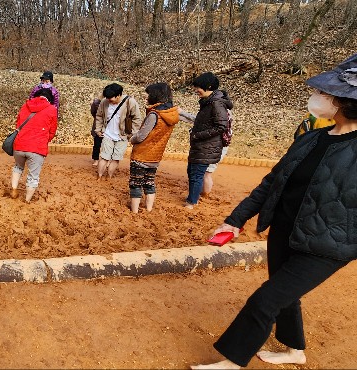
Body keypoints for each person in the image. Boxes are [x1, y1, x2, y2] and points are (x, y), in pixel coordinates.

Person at [191, 53, 357, 369]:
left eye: (324, 93)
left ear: (344, 101)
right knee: (285, 295)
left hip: (328, 245)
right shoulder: (312, 137)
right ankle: (295, 351)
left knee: (266, 300)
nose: (317, 97)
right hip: (286, 229)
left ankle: (231, 360)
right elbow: (271, 183)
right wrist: (235, 220)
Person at [127, 83, 179, 213]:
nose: (146, 97)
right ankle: (149, 209)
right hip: (155, 157)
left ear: (155, 95)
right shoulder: (171, 114)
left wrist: (131, 139)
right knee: (149, 182)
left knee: (136, 183)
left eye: (148, 95)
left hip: (142, 155)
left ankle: (134, 211)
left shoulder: (154, 115)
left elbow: (141, 136)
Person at [185, 72, 233, 209]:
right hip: (201, 146)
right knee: (192, 172)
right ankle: (192, 198)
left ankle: (192, 202)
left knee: (197, 174)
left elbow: (221, 126)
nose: (196, 90)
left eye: (198, 87)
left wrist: (198, 135)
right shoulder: (209, 102)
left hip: (207, 146)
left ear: (209, 86)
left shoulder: (216, 104)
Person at [9, 88, 59, 203]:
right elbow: (52, 131)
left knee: (18, 166)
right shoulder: (52, 109)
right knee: (33, 175)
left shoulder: (25, 105)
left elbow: (18, 124)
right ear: (49, 99)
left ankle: (14, 189)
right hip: (37, 148)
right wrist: (43, 140)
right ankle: (27, 200)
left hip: (20, 144)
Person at [93, 83, 143, 179]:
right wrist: (98, 129)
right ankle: (99, 177)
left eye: (111, 99)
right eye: (107, 98)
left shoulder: (130, 102)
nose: (109, 101)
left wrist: (132, 133)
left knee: (116, 158)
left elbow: (137, 119)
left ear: (119, 95)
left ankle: (109, 177)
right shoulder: (104, 102)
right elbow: (99, 116)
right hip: (107, 134)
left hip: (123, 136)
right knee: (104, 156)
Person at [90, 94, 103, 166]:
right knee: (97, 144)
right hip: (98, 125)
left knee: (107, 145)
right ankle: (96, 159)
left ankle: (105, 160)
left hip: (108, 127)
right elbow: (93, 112)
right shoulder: (96, 103)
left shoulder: (112, 103)